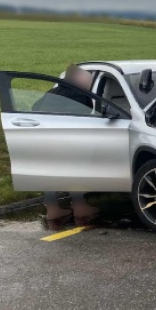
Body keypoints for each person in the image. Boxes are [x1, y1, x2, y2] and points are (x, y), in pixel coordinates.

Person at [40, 64, 100, 228]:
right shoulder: (81, 96)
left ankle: (53, 210)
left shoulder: (51, 93)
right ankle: (80, 208)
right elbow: (86, 116)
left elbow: (34, 108)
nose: (89, 84)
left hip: (47, 142)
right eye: (88, 80)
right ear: (77, 80)